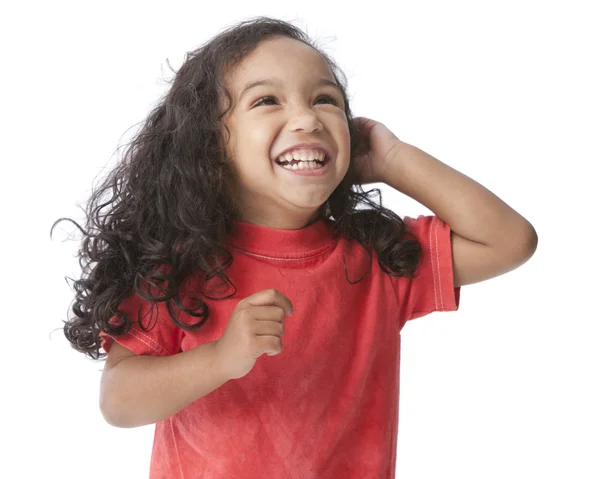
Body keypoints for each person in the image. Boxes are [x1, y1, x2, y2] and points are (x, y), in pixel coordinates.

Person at [53, 16, 537, 479]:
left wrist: (394, 159)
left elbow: (511, 241)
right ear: (209, 145)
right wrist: (221, 358)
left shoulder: (377, 258)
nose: (307, 117)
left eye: (326, 100)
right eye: (266, 101)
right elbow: (118, 401)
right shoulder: (177, 263)